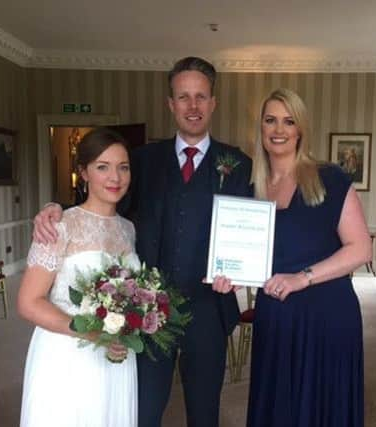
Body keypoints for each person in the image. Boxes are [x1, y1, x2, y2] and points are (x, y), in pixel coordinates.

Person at [32, 57, 252, 427]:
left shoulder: (238, 164)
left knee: (205, 414)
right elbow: (104, 202)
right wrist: (57, 207)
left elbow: (247, 233)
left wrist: (241, 271)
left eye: (200, 97)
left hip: (209, 310)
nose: (192, 106)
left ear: (213, 102)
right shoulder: (141, 160)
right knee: (143, 411)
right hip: (146, 313)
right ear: (171, 104)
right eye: (183, 97)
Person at [213, 88, 372, 426]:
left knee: (322, 407)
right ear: (260, 127)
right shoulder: (248, 186)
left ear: (301, 129)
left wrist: (303, 277)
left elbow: (360, 248)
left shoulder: (329, 178)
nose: (279, 129)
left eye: (289, 121)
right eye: (270, 120)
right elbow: (252, 256)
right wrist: (232, 277)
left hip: (327, 314)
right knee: (280, 405)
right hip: (277, 313)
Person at [18, 128, 139, 426]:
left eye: (123, 167)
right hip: (68, 354)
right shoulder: (59, 225)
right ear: (83, 172)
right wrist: (87, 331)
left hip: (117, 355)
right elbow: (28, 302)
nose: (115, 177)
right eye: (103, 167)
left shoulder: (128, 229)